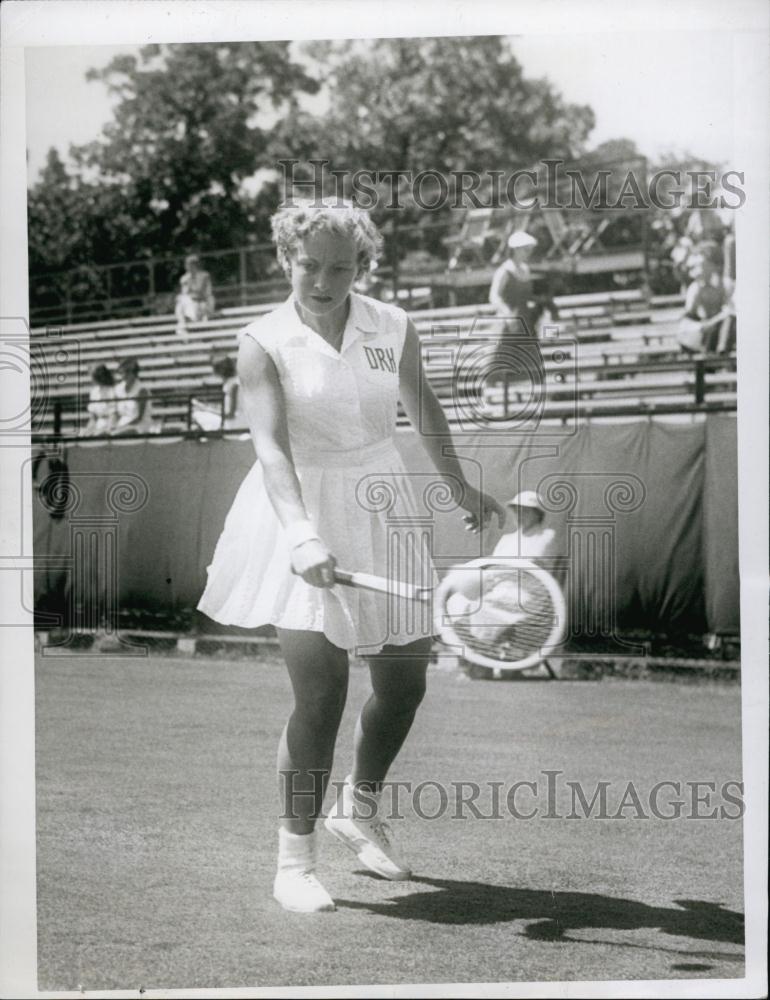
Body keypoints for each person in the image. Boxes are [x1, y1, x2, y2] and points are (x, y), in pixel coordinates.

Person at [197, 199, 505, 914]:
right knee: (322, 692)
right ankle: (294, 859)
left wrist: (460, 487)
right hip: (294, 509)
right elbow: (271, 447)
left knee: (405, 684)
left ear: (363, 266)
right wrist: (303, 536)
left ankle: (357, 807)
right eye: (310, 265)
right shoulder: (262, 341)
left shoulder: (392, 325)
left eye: (342, 267)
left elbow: (423, 407)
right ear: (285, 260)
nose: (324, 280)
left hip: (385, 501)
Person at [486, 231, 546, 411]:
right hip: (508, 321)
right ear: (515, 250)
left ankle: (535, 398)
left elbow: (526, 296)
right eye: (524, 249)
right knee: (498, 359)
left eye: (529, 249)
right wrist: (506, 313)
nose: (528, 252)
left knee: (531, 358)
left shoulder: (526, 270)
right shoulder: (504, 270)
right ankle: (488, 395)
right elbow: (494, 296)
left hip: (525, 320)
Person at [492, 491, 554, 561]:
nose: (519, 515)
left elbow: (535, 562)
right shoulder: (506, 539)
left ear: (538, 514)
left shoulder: (547, 536)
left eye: (525, 511)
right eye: (516, 511)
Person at [191, 356, 242, 432]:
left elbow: (230, 415)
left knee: (196, 414)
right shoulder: (232, 382)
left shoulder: (233, 385)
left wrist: (205, 409)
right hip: (234, 422)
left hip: (234, 425)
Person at [112, 358, 155, 435]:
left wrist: (122, 428)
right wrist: (113, 425)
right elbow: (115, 413)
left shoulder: (142, 390)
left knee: (118, 434)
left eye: (127, 372)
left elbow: (139, 418)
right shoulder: (118, 389)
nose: (123, 375)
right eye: (121, 372)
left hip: (140, 426)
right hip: (122, 425)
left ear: (134, 373)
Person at [175, 254, 215, 335]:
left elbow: (208, 292)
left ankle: (199, 320)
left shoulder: (205, 276)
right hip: (192, 302)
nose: (187, 267)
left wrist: (197, 296)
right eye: (187, 265)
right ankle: (182, 323)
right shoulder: (184, 278)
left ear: (195, 265)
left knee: (210, 299)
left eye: (189, 265)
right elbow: (185, 293)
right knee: (181, 300)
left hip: (203, 300)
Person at [80, 364, 117, 437]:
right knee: (81, 433)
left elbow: (113, 416)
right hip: (98, 425)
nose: (90, 378)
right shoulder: (94, 392)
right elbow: (93, 418)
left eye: (91, 375)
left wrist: (108, 430)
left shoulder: (112, 391)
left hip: (109, 426)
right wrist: (88, 430)